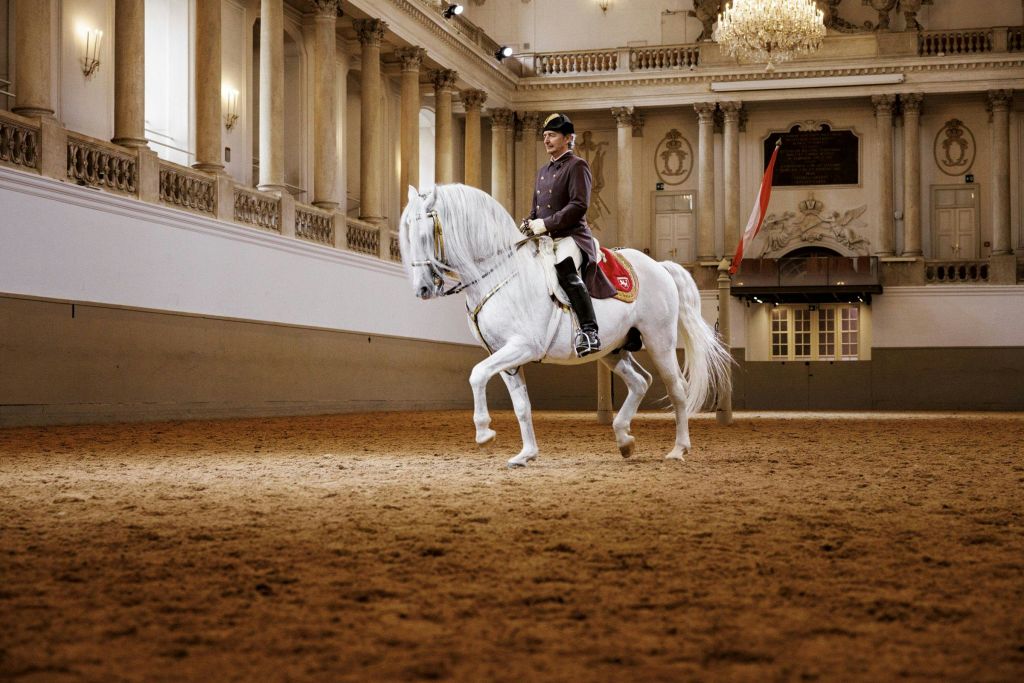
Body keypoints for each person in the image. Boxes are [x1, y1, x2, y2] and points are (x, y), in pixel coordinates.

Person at [524, 113, 616, 357]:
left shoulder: (577, 165)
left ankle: (589, 331)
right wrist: (530, 222)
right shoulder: (543, 171)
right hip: (545, 239)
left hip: (571, 236)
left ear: (568, 138)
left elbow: (578, 205)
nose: (546, 140)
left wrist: (546, 224)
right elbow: (536, 209)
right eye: (544, 136)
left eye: (552, 135)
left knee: (565, 269)